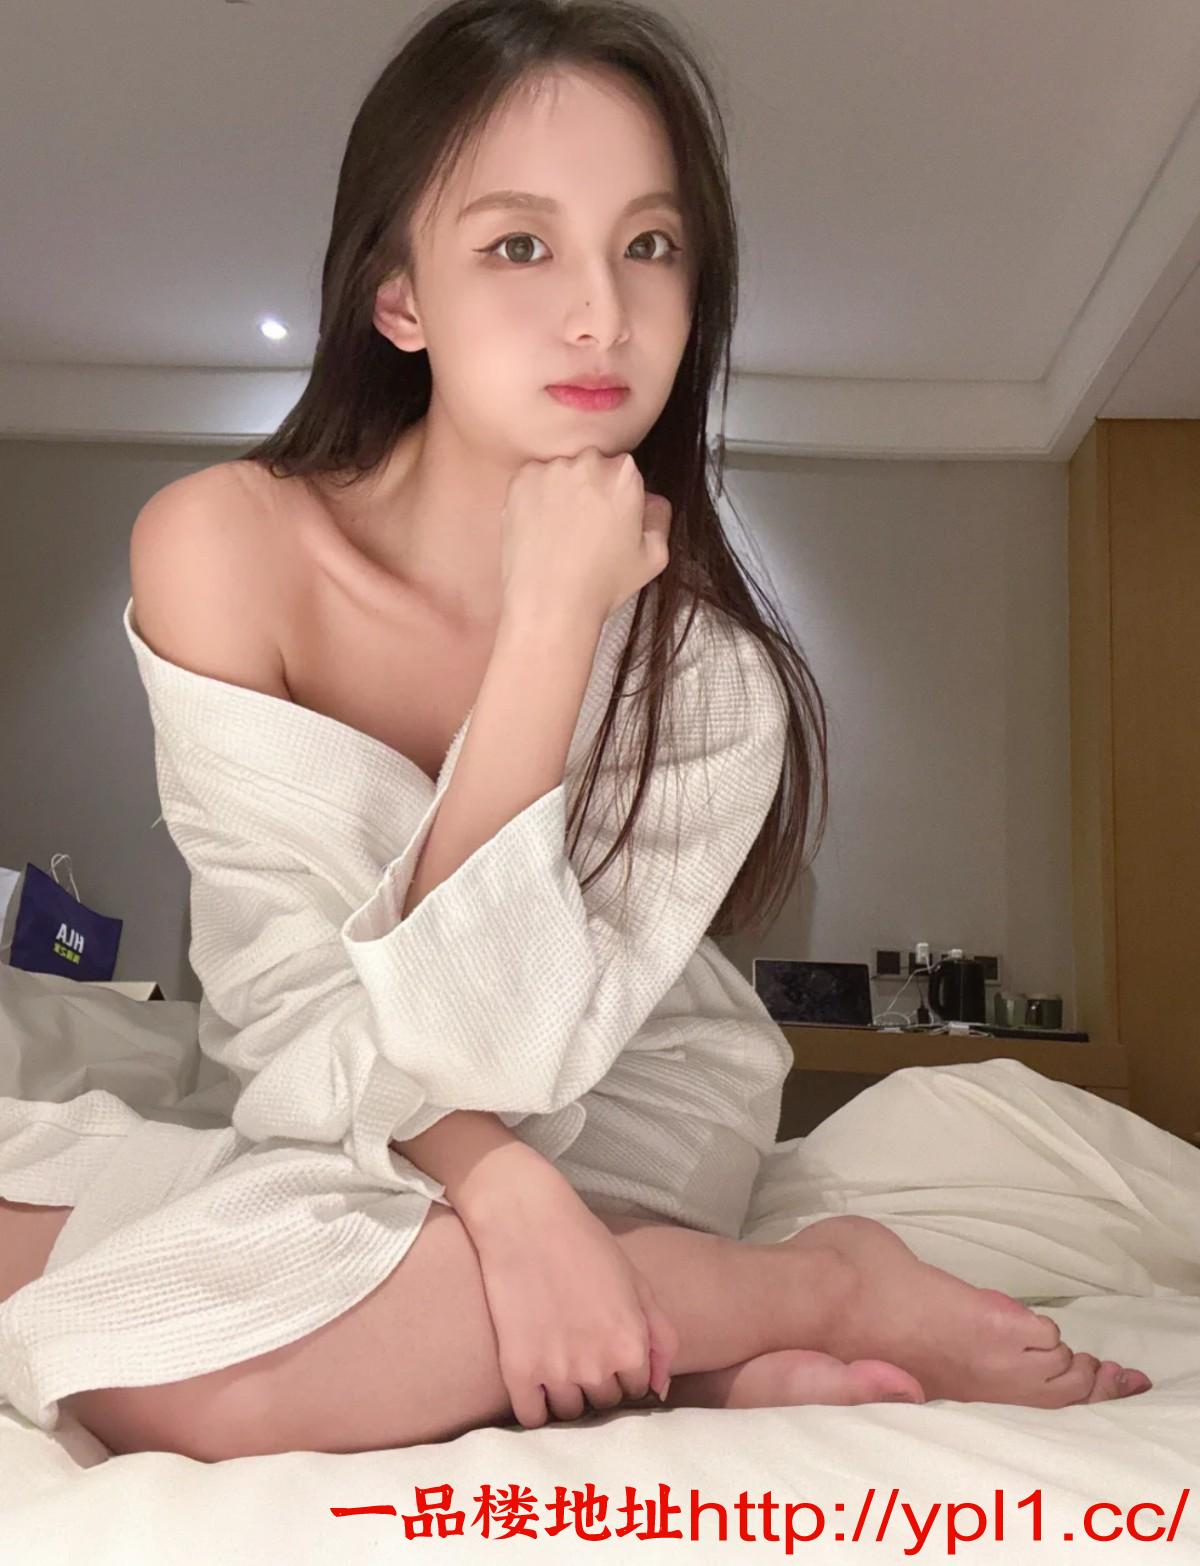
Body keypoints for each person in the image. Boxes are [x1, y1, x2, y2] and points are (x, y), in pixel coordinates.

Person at [0, 0, 1150, 1460]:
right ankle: (733, 1325)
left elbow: (491, 1044)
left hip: (625, 1098)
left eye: (650, 245)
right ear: (399, 297)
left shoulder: (711, 684)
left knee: (172, 1370)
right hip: (338, 1104)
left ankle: (777, 1288)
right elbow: (284, 1006)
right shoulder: (224, 546)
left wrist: (548, 627)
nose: (603, 312)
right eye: (520, 245)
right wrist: (501, 1193)